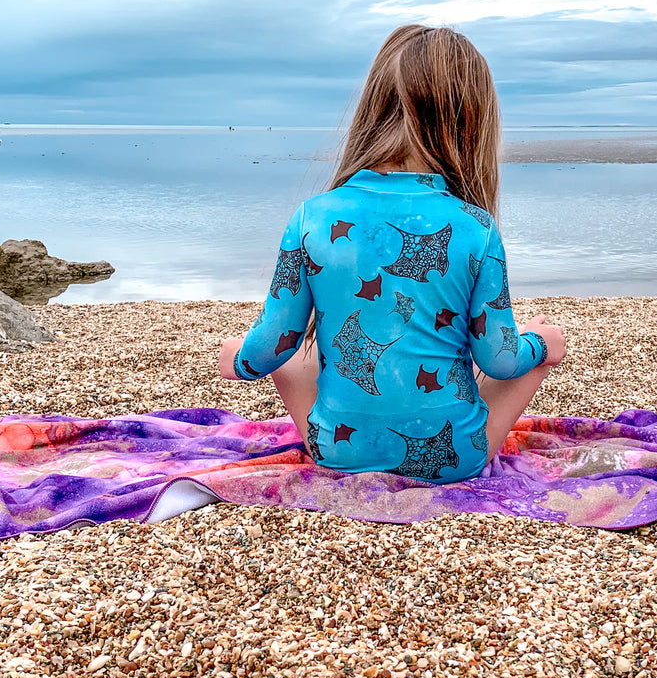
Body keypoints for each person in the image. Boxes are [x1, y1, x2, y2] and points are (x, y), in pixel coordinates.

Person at [217, 25, 567, 482]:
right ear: (471, 122)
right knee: (529, 346)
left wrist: (239, 358)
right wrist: (542, 345)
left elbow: (274, 343)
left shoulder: (313, 217)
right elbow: (497, 360)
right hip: (452, 460)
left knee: (296, 354)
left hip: (338, 450)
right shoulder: (475, 227)